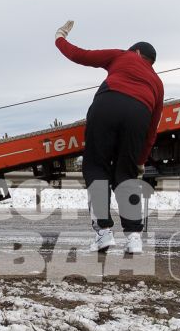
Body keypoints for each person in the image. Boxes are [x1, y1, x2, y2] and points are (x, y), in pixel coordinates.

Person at [54, 19, 164, 254]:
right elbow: (152, 129)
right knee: (126, 175)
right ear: (151, 62)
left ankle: (103, 233)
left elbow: (80, 55)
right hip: (139, 113)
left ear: (135, 51)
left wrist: (60, 38)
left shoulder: (122, 56)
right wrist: (140, 161)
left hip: (109, 102)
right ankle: (134, 237)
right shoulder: (157, 82)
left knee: (95, 167)